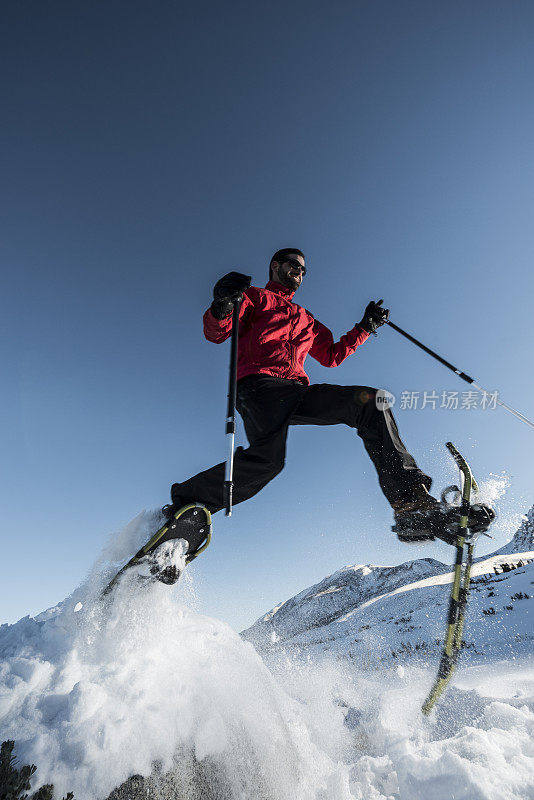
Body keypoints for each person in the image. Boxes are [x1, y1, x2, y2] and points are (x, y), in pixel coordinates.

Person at [164, 248, 493, 554]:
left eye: (303, 269)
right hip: (259, 386)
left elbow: (332, 355)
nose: (299, 271)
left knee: (371, 402)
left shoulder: (307, 319)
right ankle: (188, 500)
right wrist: (222, 302)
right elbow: (218, 330)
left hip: (296, 391)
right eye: (293, 264)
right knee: (268, 461)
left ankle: (413, 507)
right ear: (275, 266)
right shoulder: (255, 297)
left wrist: (364, 327)